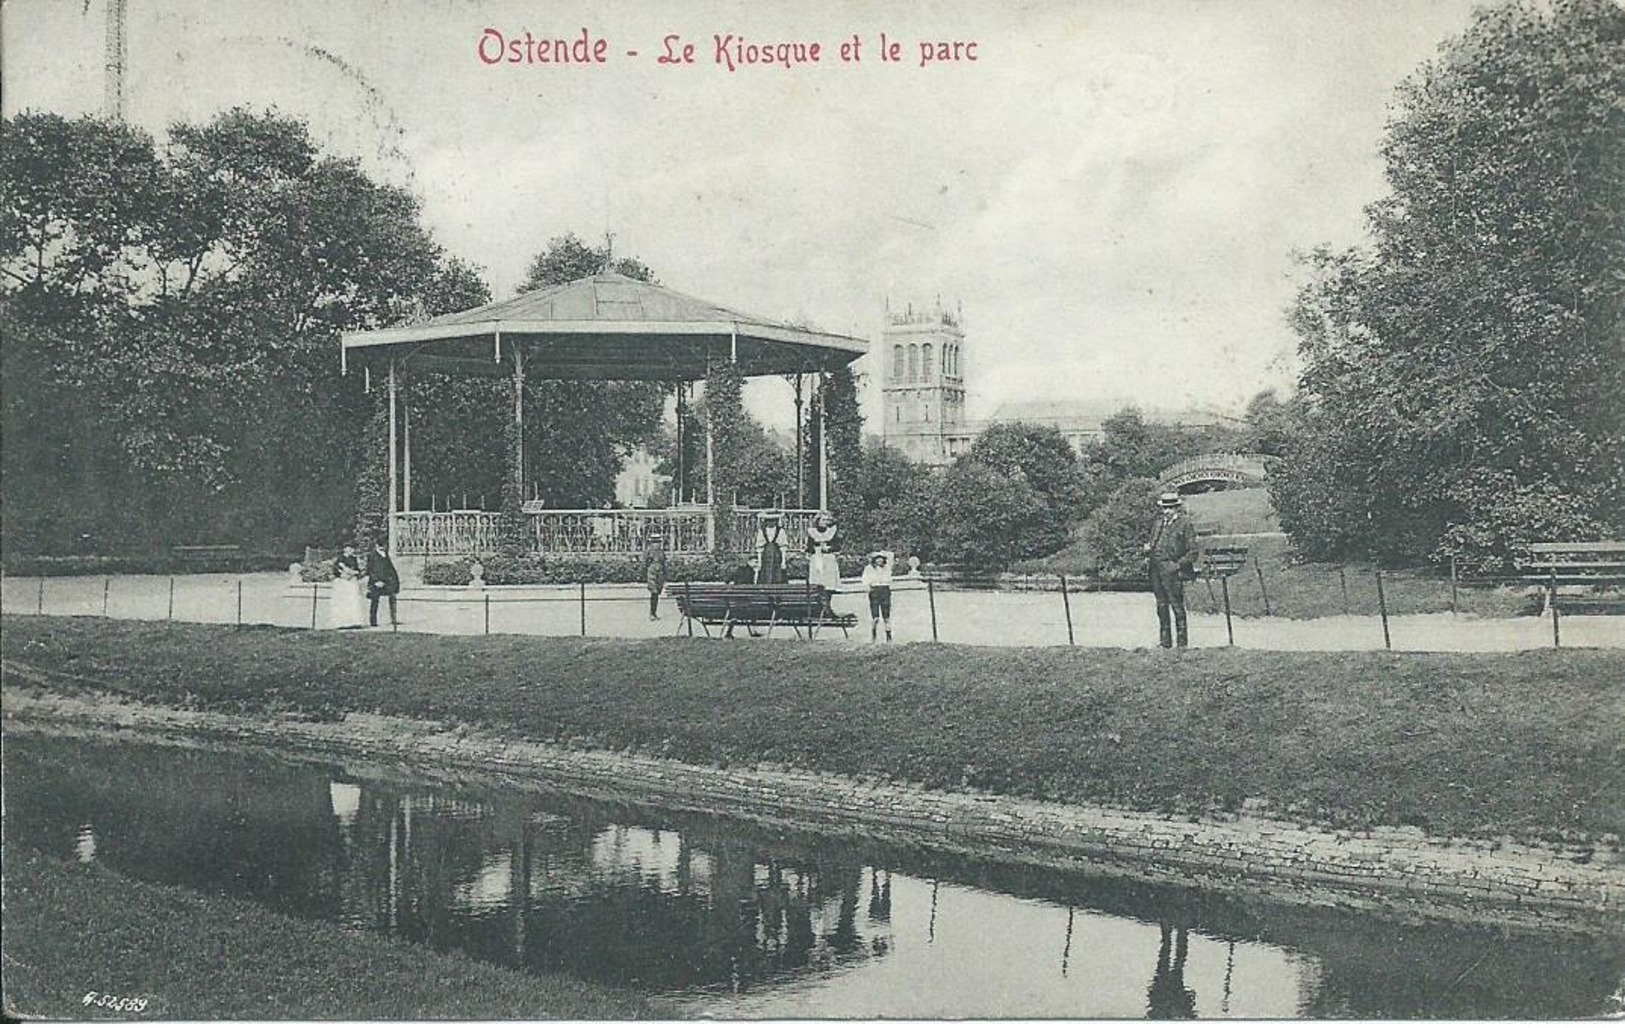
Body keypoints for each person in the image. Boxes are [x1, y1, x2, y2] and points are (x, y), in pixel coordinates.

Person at [1145, 492, 1198, 648]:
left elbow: (1193, 552)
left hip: (1173, 570)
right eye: (1164, 508)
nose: (1166, 511)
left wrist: (1177, 566)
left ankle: (1182, 644)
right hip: (1155, 568)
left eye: (1170, 508)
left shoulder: (1185, 524)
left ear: (1176, 508)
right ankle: (1165, 643)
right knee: (1161, 606)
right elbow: (1154, 543)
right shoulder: (1158, 524)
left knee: (1177, 606)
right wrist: (1149, 550)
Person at [325, 543, 367, 629]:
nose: (352, 550)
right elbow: (337, 570)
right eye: (349, 548)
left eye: (352, 549)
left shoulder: (354, 559)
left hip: (352, 582)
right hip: (343, 582)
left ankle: (354, 621)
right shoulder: (340, 558)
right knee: (343, 601)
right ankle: (341, 622)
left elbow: (357, 570)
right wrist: (344, 573)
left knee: (353, 601)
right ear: (345, 549)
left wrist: (355, 573)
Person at [366, 537, 401, 628]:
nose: (382, 547)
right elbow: (370, 570)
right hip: (376, 582)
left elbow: (390, 569)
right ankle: (373, 621)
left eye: (384, 546)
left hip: (386, 581)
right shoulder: (372, 555)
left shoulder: (385, 555)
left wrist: (394, 581)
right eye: (380, 545)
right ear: (376, 545)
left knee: (392, 597)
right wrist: (376, 581)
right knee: (375, 601)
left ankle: (393, 618)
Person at [862, 550, 894, 642]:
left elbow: (891, 555)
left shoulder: (887, 568)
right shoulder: (869, 568)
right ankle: (873, 634)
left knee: (886, 616)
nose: (879, 560)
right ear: (874, 560)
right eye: (877, 558)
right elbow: (865, 580)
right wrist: (868, 588)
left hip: (885, 590)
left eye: (881, 558)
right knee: (875, 617)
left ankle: (889, 636)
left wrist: (883, 552)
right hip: (875, 591)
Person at [754, 511, 788, 584]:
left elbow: (783, 547)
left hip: (777, 556)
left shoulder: (780, 531)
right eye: (769, 520)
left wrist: (783, 561)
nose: (771, 523)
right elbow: (760, 548)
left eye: (773, 520)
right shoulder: (762, 531)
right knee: (765, 573)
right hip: (766, 556)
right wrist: (759, 561)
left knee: (777, 574)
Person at [642, 527, 667, 621]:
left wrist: (665, 575)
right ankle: (652, 613)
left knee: (657, 593)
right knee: (654, 592)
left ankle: (654, 612)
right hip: (652, 572)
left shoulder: (661, 552)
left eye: (658, 541)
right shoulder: (648, 551)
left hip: (660, 573)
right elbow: (645, 563)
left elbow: (664, 563)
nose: (656, 544)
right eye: (654, 541)